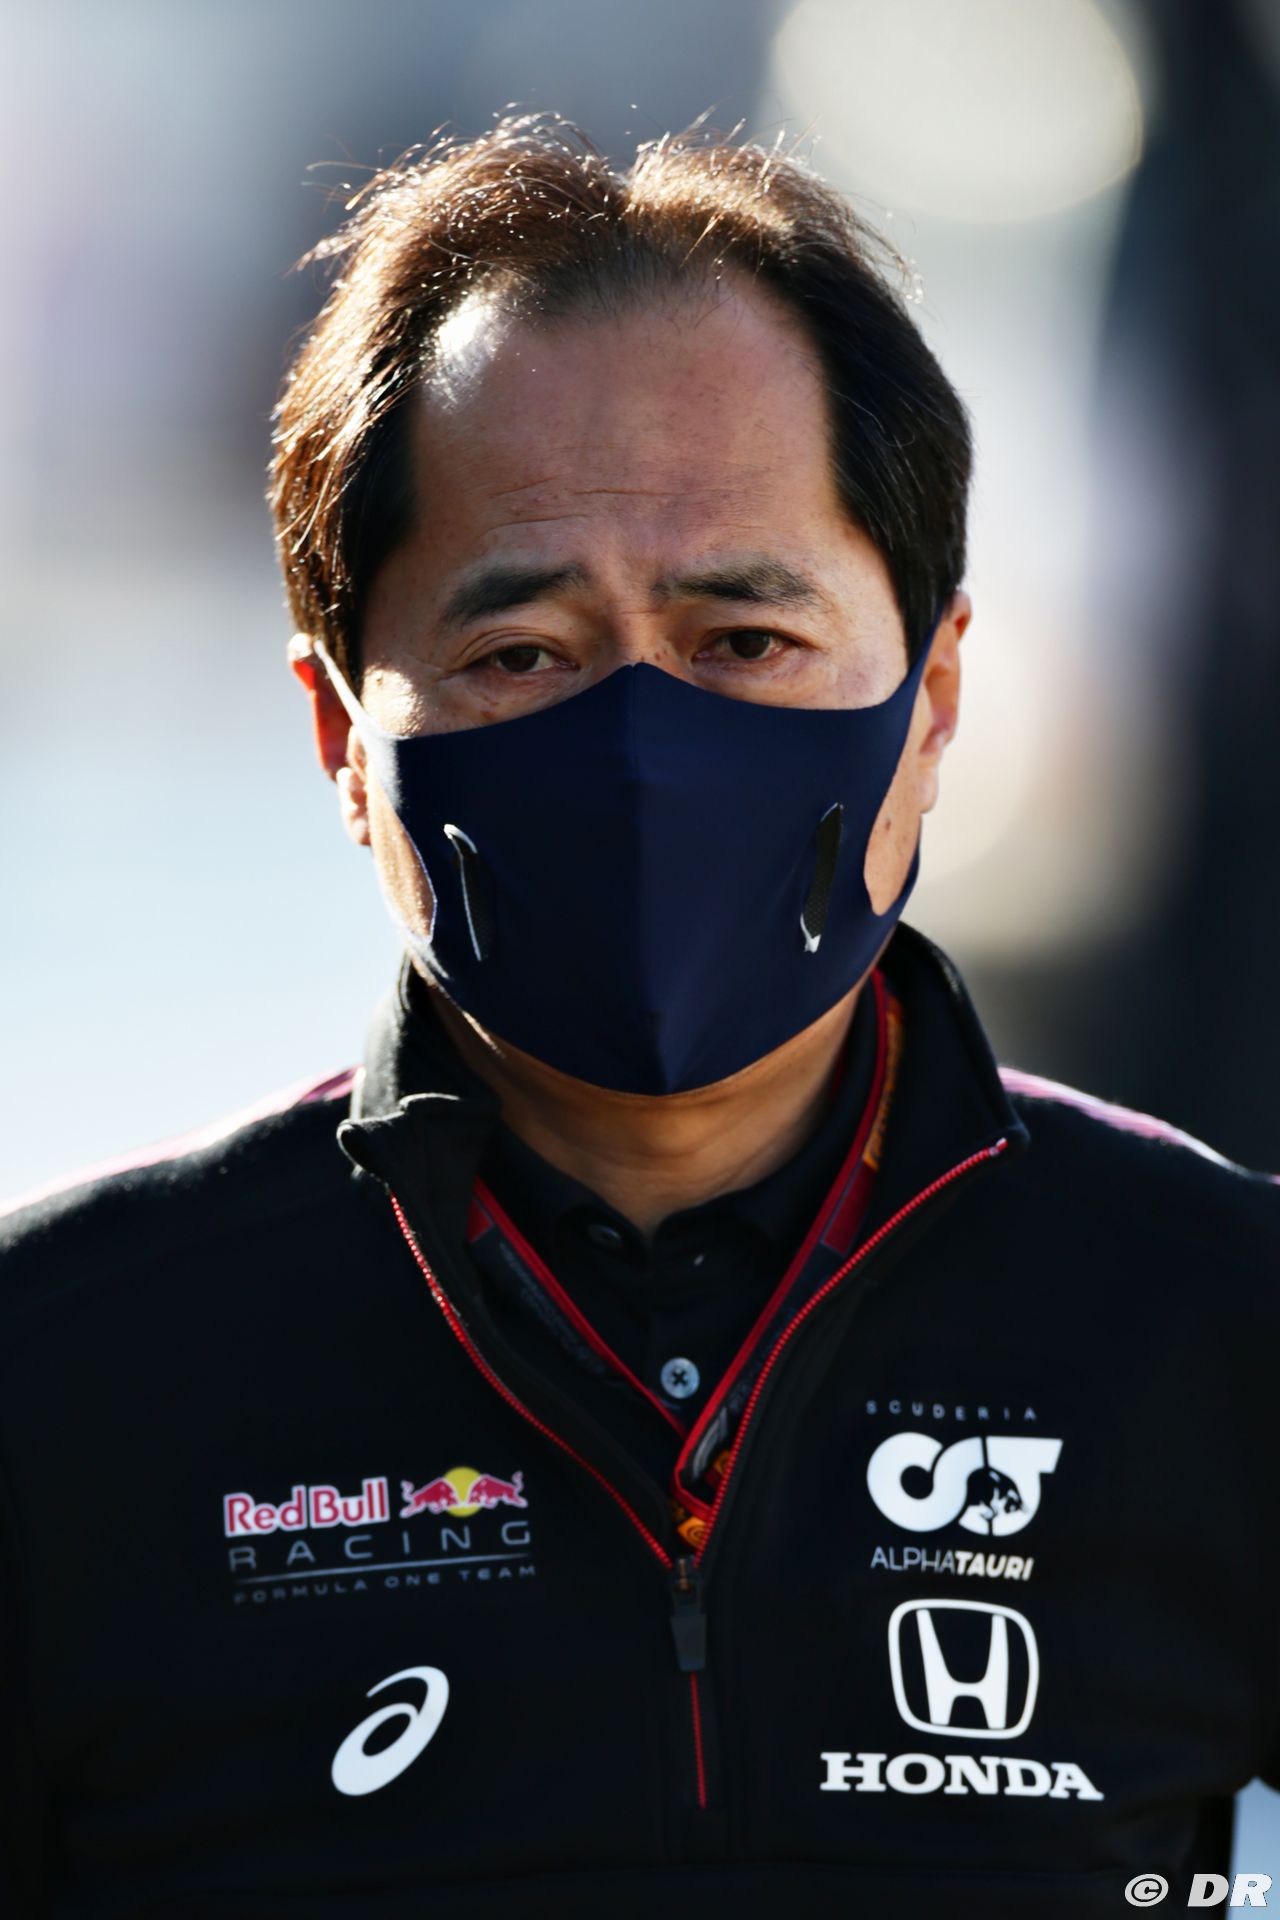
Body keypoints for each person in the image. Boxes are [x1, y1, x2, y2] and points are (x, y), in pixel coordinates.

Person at [2, 112, 1277, 1920]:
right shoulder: (63, 1382)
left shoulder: (1224, 1334)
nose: (641, 747)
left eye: (742, 641)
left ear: (933, 699)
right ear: (340, 738)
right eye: (521, 654)